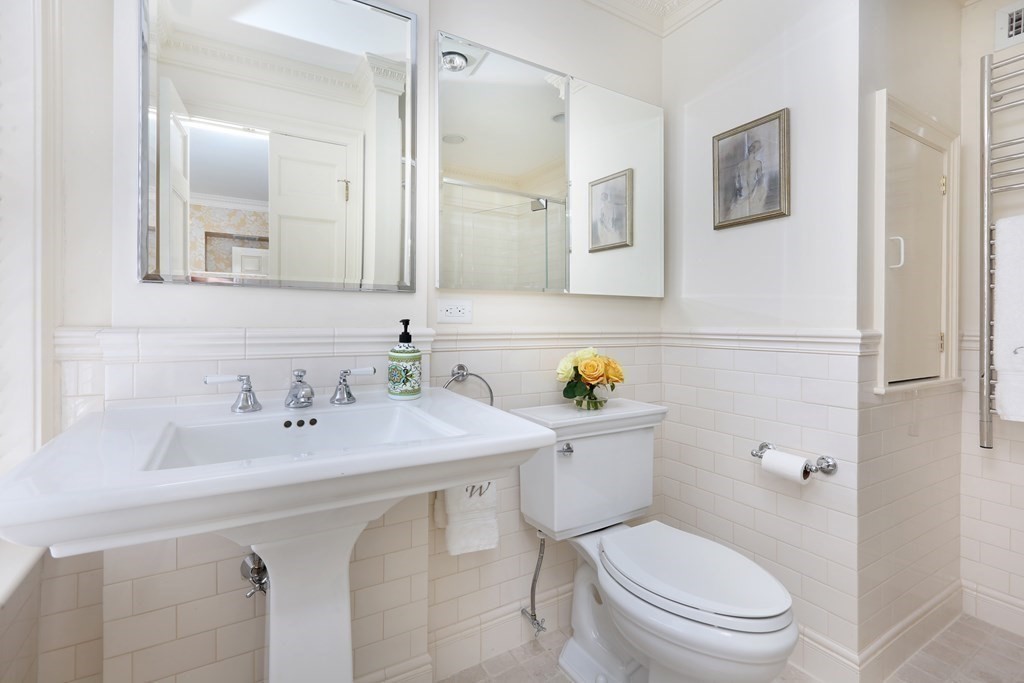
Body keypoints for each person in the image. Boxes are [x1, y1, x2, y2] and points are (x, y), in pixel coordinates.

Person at [726, 138, 768, 220]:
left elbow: (737, 181)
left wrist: (739, 189)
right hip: (751, 189)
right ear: (757, 151)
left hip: (743, 191)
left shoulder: (740, 165)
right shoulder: (758, 163)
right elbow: (760, 179)